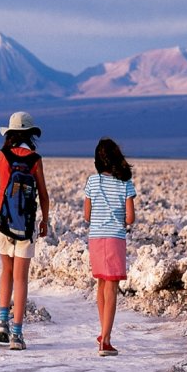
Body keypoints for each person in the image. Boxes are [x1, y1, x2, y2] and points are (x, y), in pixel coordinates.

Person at [0, 111, 49, 350]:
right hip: (26, 225)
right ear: (30, 134)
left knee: (6, 271)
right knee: (21, 278)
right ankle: (17, 334)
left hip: (2, 222)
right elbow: (43, 194)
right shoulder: (35, 159)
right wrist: (44, 221)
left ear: (9, 133)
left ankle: (2, 324)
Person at [84, 138, 136, 356]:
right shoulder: (125, 184)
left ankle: (102, 330)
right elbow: (131, 218)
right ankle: (105, 340)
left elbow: (86, 215)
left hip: (96, 238)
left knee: (101, 284)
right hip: (115, 239)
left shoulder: (92, 181)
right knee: (112, 288)